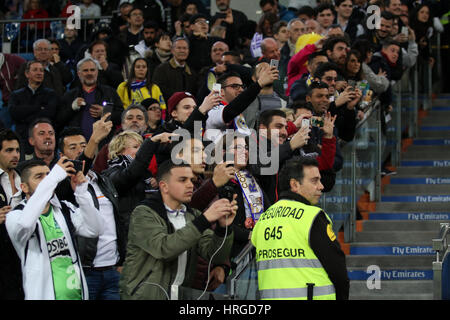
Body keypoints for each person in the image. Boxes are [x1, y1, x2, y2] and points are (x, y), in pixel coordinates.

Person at [119, 161, 237, 300]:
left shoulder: (192, 214)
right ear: (164, 186)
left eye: (191, 180)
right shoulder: (143, 213)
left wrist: (223, 228)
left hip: (179, 296)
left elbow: (214, 255)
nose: (190, 185)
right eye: (182, 180)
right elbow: (164, 249)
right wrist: (204, 220)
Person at [251, 157, 349, 300]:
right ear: (295, 185)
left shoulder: (264, 219)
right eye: (314, 181)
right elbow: (337, 268)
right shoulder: (312, 217)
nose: (321, 186)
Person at [5, 157, 102, 300]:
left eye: (48, 175)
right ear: (24, 187)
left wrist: (81, 192)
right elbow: (25, 224)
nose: (46, 180)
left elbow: (94, 229)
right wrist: (53, 178)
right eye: (39, 177)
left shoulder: (64, 209)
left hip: (76, 295)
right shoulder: (16, 216)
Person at [56, 57, 123, 140]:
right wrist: (72, 108)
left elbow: (122, 116)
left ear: (97, 72)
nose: (89, 73)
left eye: (92, 70)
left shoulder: (110, 92)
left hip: (104, 144)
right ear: (79, 73)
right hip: (78, 145)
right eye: (85, 70)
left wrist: (105, 112)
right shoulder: (70, 95)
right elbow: (59, 120)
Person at [8, 60, 59, 156]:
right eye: (35, 70)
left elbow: (49, 114)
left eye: (41, 70)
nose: (39, 73)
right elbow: (14, 113)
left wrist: (24, 112)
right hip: (23, 140)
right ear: (27, 74)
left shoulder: (51, 94)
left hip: (44, 144)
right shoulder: (16, 95)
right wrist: (39, 108)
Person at [0, 129, 24, 300]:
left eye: (17, 150)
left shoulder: (24, 179)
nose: (15, 155)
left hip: (23, 257)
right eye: (9, 150)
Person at [152, 37, 198, 102]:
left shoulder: (192, 73)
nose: (182, 51)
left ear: (188, 51)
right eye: (179, 48)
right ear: (172, 51)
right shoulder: (161, 69)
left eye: (184, 48)